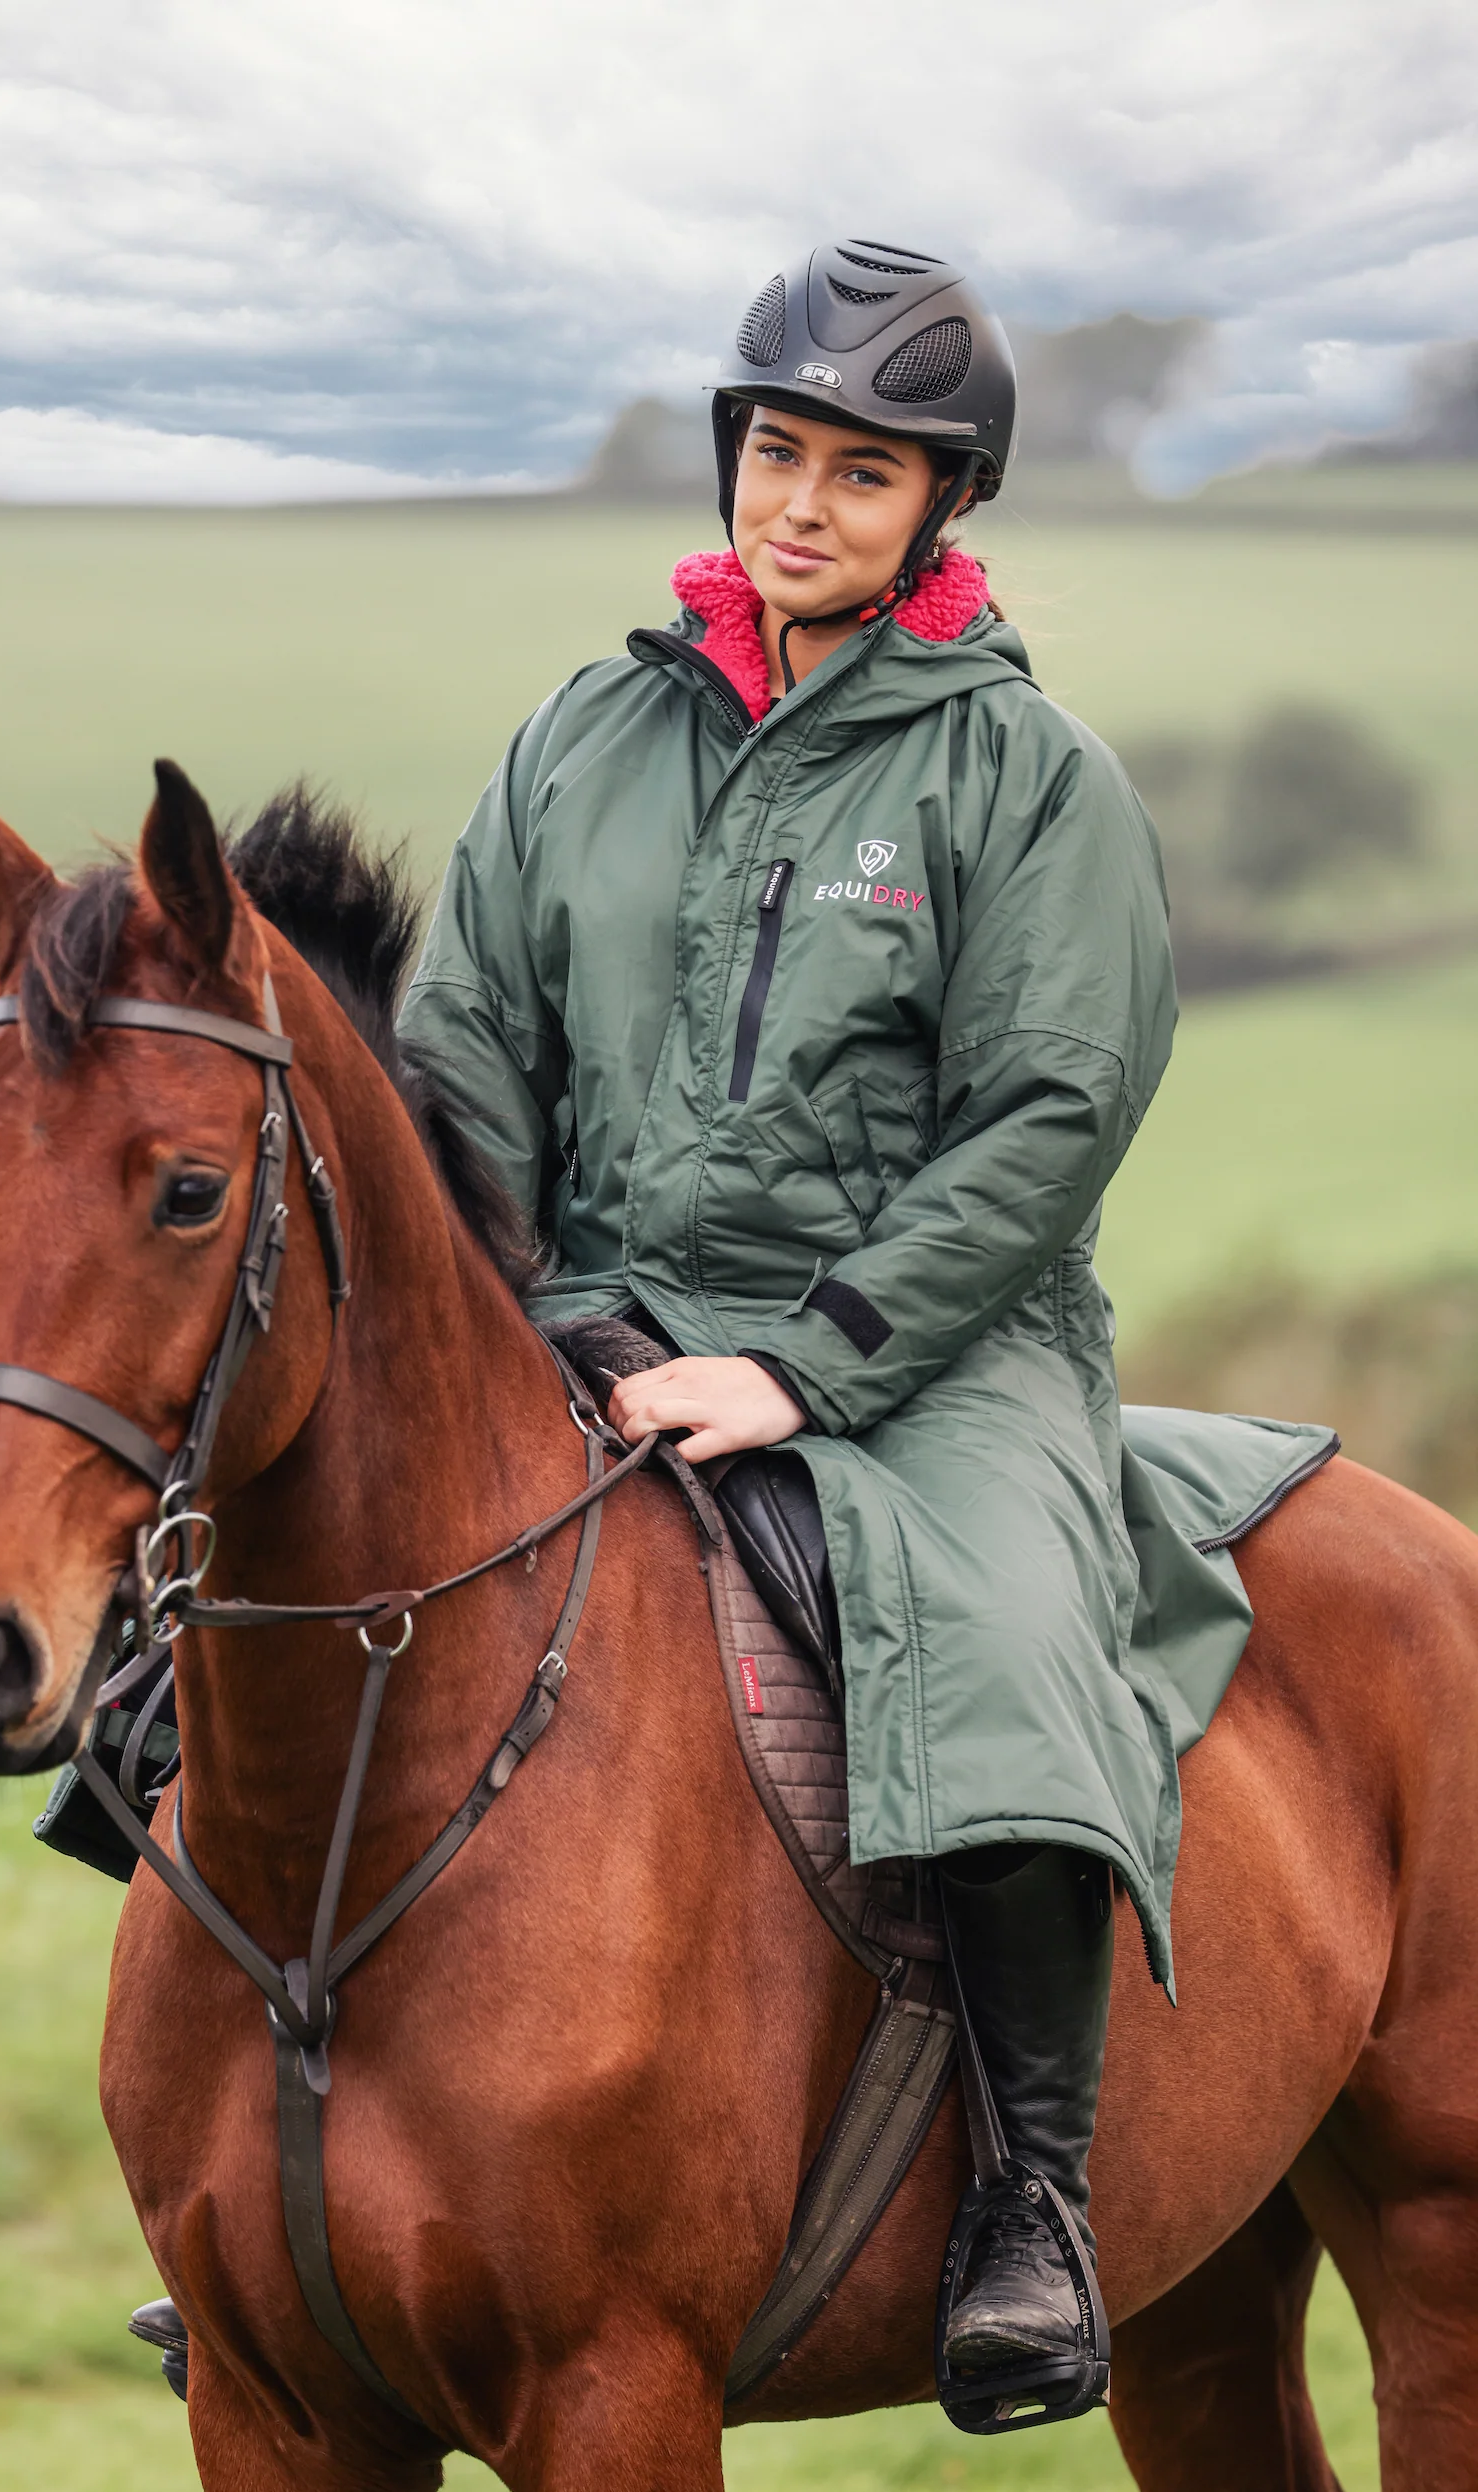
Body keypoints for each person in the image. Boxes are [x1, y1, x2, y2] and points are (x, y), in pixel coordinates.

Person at [397, 240, 1179, 2383]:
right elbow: (463, 1042)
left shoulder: (1032, 780)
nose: (800, 502)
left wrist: (807, 1360)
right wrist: (526, 1312)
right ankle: (290, 2152)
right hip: (594, 1308)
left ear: (944, 509)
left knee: (1009, 1643)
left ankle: (1035, 2203)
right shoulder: (583, 732)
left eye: (860, 471)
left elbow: (1049, 1114)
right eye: (776, 451)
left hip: (941, 1344)